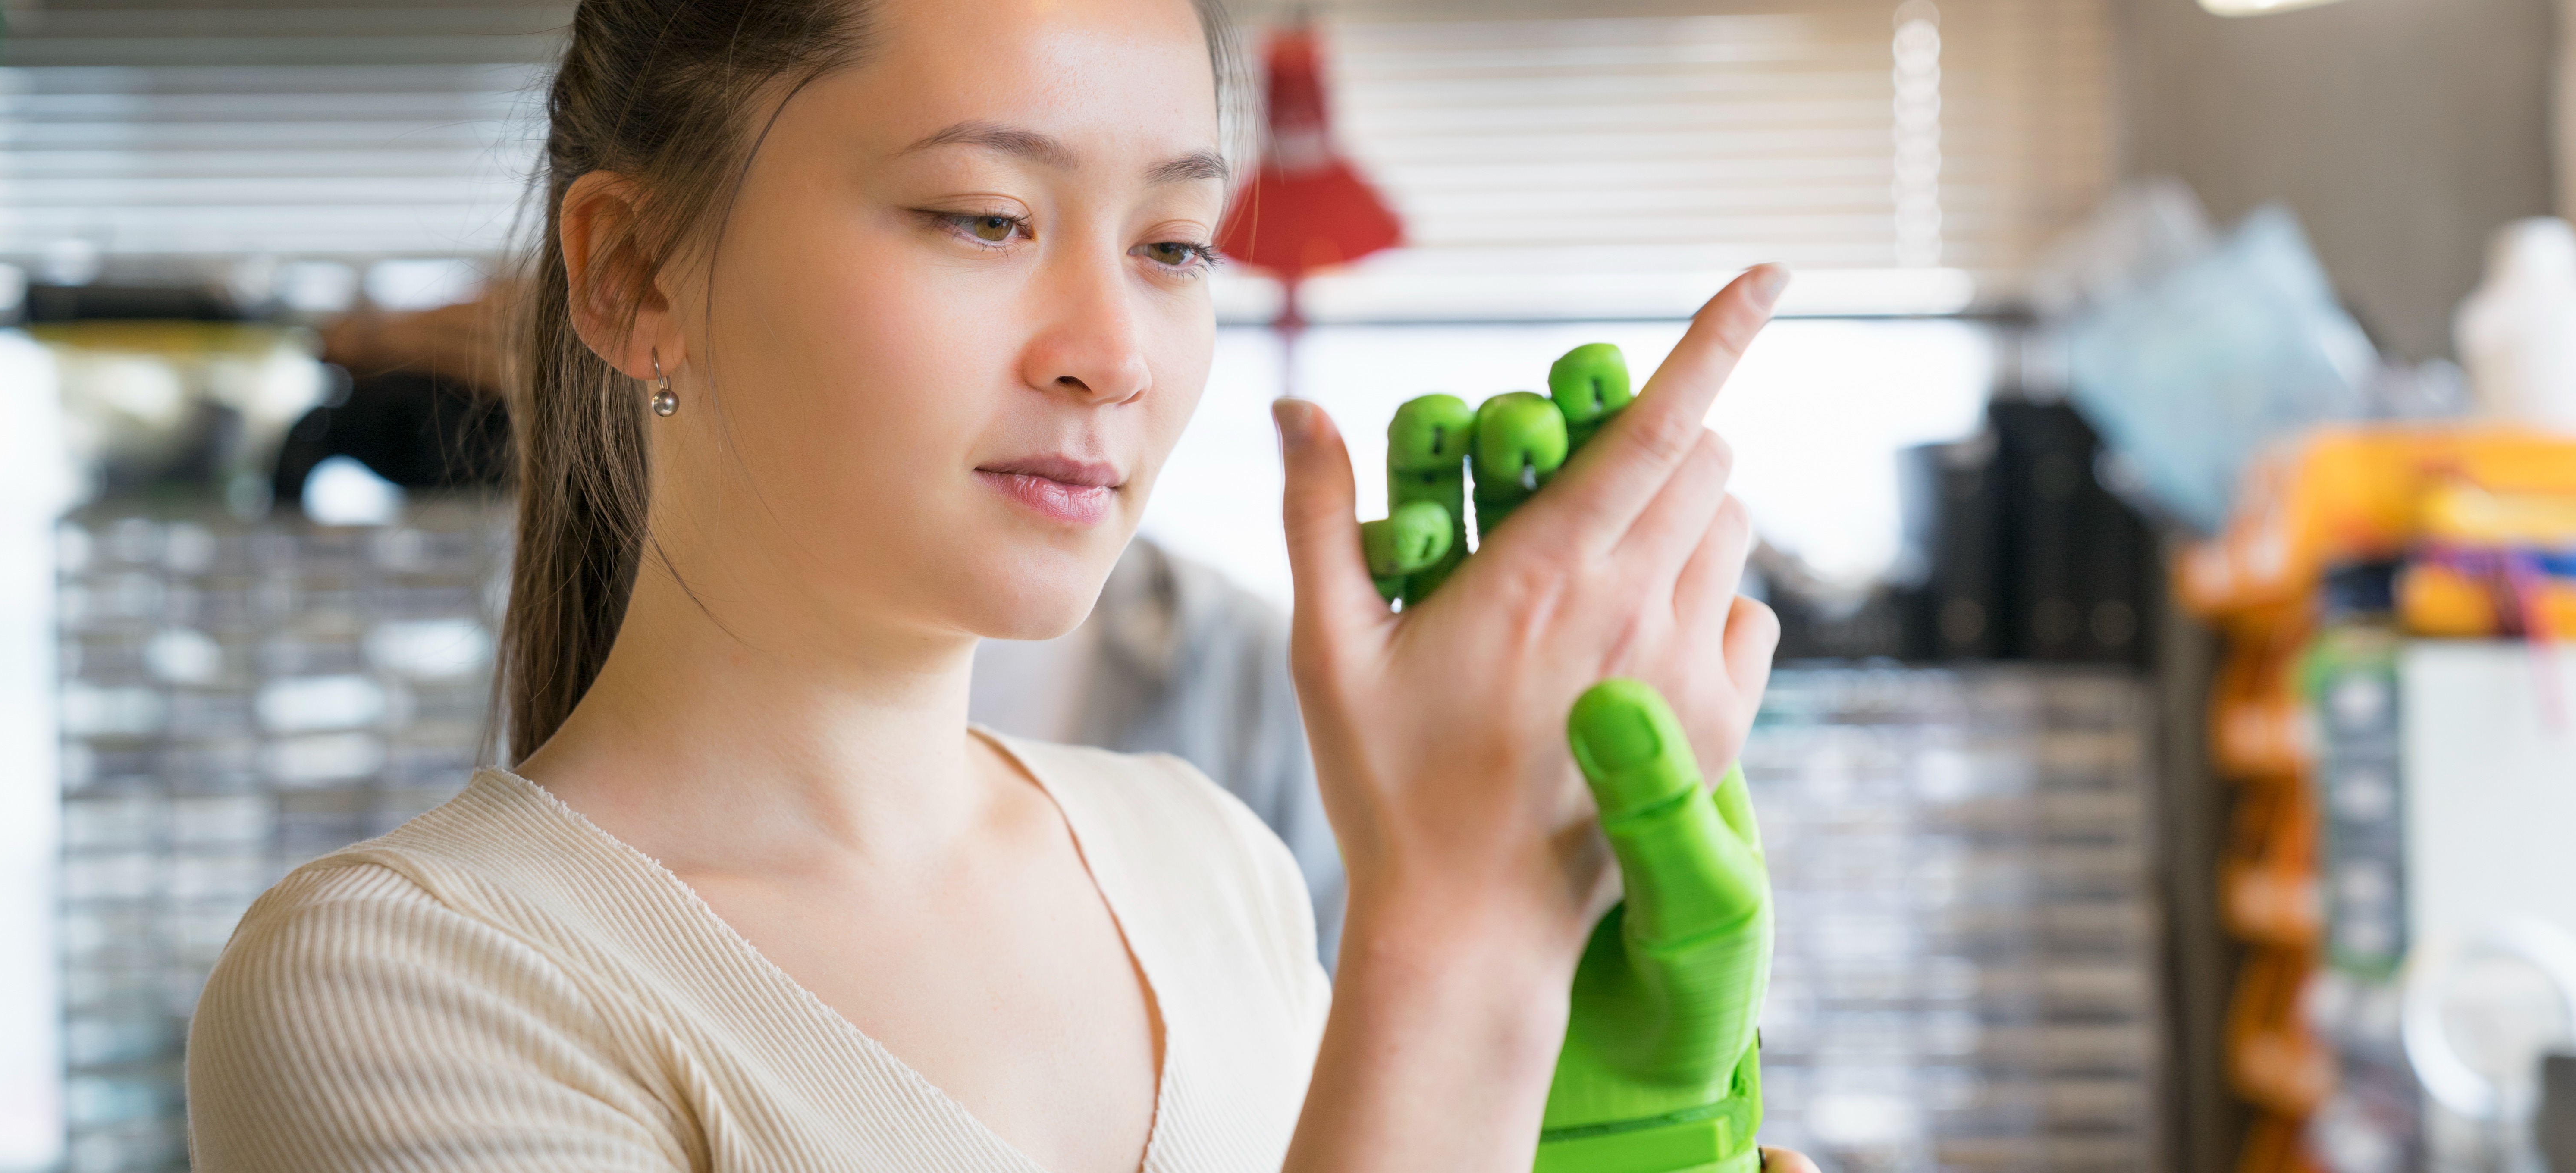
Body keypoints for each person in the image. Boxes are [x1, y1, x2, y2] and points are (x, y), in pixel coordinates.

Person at [182, 0, 1813, 1170]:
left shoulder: (1211, 867)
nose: (1113, 355)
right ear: (633, 274)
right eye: (986, 217)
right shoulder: (408, 989)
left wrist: (1606, 1136)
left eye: (1174, 246)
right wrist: (1456, 950)